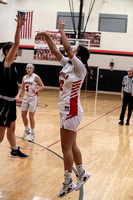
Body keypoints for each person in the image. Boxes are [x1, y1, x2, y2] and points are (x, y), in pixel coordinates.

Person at [35, 18, 90, 198]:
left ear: (79, 57)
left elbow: (66, 48)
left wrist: (61, 30)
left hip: (71, 110)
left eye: (75, 51)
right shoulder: (68, 64)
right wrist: (45, 36)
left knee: (65, 148)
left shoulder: (80, 69)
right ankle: (81, 173)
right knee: (71, 145)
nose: (72, 51)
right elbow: (55, 51)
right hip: (66, 109)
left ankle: (68, 182)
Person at [0, 13, 29, 158]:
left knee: (12, 127)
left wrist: (18, 94)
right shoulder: (7, 62)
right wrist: (19, 27)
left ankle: (14, 149)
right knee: (0, 135)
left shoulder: (13, 64)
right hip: (4, 102)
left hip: (11, 102)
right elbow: (16, 43)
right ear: (7, 52)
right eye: (14, 50)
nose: (17, 52)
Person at [17, 63, 45, 142]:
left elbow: (42, 86)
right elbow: (22, 88)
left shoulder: (35, 77)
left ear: (33, 69)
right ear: (26, 69)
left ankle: (32, 133)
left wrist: (37, 90)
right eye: (27, 68)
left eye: (30, 68)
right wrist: (18, 95)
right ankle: (27, 130)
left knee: (31, 116)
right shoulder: (24, 77)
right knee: (23, 114)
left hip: (33, 98)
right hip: (26, 97)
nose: (29, 69)